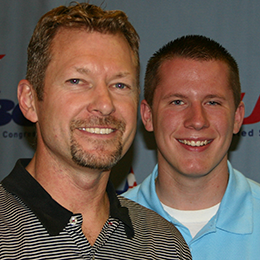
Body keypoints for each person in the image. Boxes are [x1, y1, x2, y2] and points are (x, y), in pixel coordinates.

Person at [0, 3, 192, 259]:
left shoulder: (164, 245)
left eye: (120, 85)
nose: (104, 104)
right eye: (77, 81)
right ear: (29, 101)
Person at [124, 35, 260, 259]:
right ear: (148, 116)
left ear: (237, 117)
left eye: (213, 102)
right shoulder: (105, 226)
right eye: (178, 102)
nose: (197, 120)